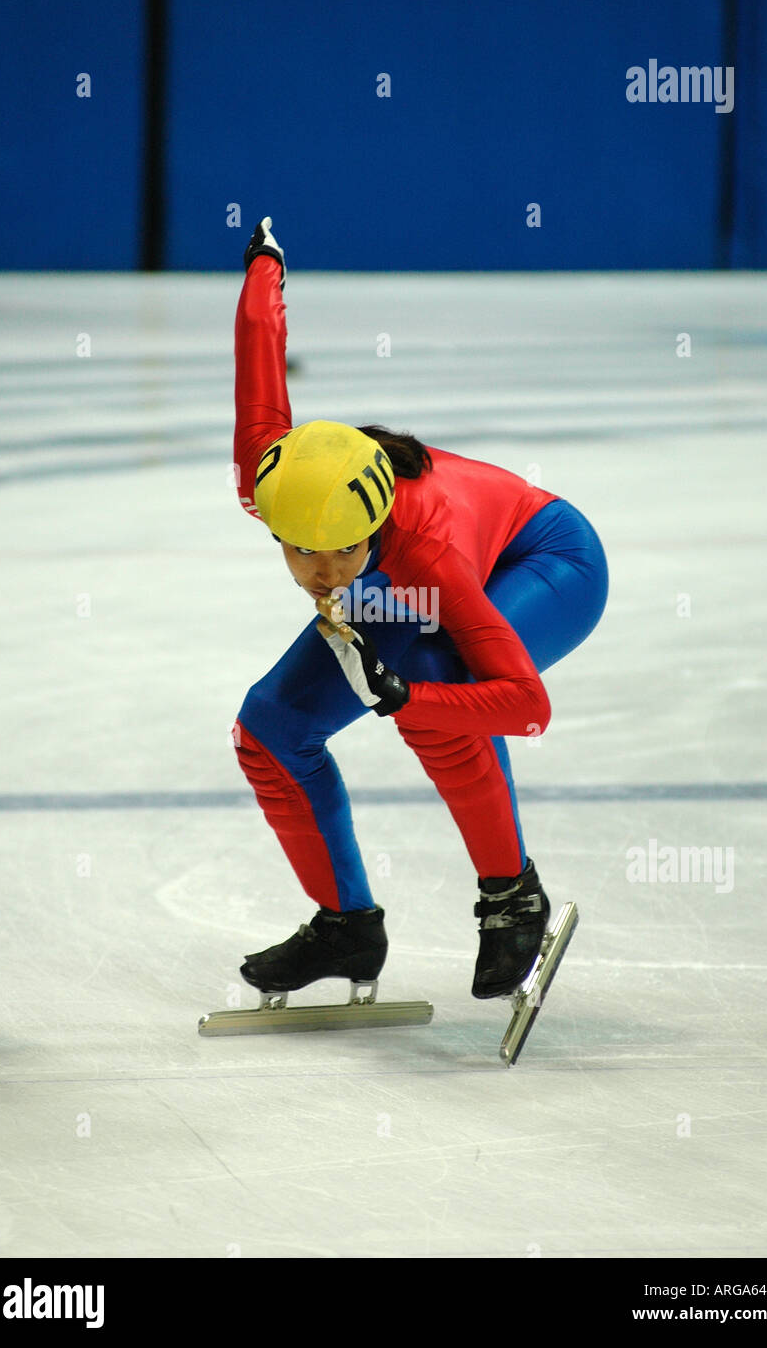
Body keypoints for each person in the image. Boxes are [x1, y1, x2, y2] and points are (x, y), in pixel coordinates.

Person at [231, 218, 608, 1001]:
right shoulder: (273, 483)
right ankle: (344, 927)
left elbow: (527, 708)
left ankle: (512, 896)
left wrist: (406, 697)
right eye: (301, 551)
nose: (321, 572)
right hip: (410, 574)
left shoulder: (424, 548)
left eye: (341, 552)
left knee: (435, 679)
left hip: (547, 560)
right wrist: (264, 263)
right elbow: (259, 350)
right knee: (269, 726)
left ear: (373, 529)